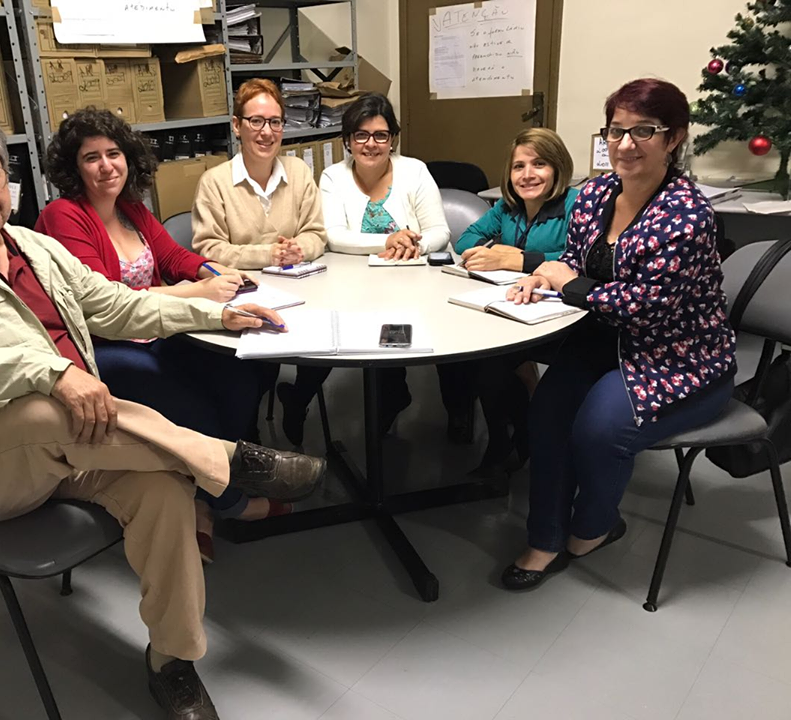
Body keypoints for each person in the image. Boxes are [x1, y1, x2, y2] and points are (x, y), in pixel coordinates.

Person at [0, 103, 327, 720]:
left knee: (162, 489)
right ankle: (232, 464)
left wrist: (215, 313)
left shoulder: (30, 245)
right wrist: (52, 374)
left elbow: (116, 306)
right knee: (46, 408)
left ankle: (172, 660)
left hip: (74, 448)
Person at [500, 79, 736, 590]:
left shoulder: (688, 215)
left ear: (674, 138)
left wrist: (573, 284)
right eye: (616, 130)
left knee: (600, 429)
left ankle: (594, 528)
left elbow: (646, 309)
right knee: (546, 412)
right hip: (604, 339)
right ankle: (544, 538)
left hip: (676, 355)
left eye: (644, 131)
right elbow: (573, 258)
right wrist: (545, 273)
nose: (626, 144)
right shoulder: (594, 194)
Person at [35, 108, 288, 564]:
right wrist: (197, 291)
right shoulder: (63, 216)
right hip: (99, 349)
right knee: (189, 403)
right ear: (74, 168)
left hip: (156, 330)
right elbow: (103, 303)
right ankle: (227, 502)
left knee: (238, 374)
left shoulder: (131, 209)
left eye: (114, 153)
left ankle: (204, 490)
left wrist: (215, 271)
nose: (106, 165)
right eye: (91, 157)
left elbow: (173, 257)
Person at [275, 92, 465, 445]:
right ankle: (302, 398)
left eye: (381, 135)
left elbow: (439, 231)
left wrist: (415, 244)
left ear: (392, 139)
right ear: (347, 140)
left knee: (445, 338)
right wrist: (388, 241)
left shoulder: (414, 171)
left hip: (418, 281)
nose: (371, 144)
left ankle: (457, 414)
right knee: (332, 329)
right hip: (355, 283)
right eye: (361, 135)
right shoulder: (333, 177)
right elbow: (333, 237)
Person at [452, 128, 578, 477]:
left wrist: (518, 259)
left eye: (539, 164)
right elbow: (465, 239)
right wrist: (491, 253)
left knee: (493, 362)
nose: (527, 175)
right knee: (482, 356)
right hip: (515, 304)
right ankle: (510, 437)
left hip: (563, 315)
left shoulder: (576, 204)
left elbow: (577, 258)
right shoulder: (507, 208)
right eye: (518, 166)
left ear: (558, 167)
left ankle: (516, 440)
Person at [191, 78, 326, 268]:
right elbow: (209, 249)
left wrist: (298, 248)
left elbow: (316, 233)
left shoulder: (299, 171)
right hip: (243, 289)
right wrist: (267, 255)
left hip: (297, 280)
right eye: (256, 121)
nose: (267, 132)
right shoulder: (214, 182)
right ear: (237, 126)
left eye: (275, 122)